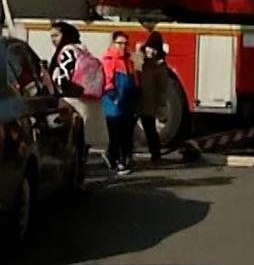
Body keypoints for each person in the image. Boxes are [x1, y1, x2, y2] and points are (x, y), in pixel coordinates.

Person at [49, 21, 108, 162]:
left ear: (66, 35)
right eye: (51, 36)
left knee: (71, 140)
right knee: (82, 139)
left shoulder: (67, 50)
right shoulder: (82, 50)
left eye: (56, 35)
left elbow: (63, 77)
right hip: (86, 99)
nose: (53, 40)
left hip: (72, 101)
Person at [100, 32, 140, 175]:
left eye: (125, 43)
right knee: (116, 134)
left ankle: (119, 158)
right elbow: (108, 82)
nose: (123, 46)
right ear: (113, 44)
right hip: (114, 105)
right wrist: (115, 98)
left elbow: (134, 82)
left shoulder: (129, 61)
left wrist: (136, 97)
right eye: (120, 43)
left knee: (126, 134)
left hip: (127, 104)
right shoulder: (108, 60)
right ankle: (118, 161)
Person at [138, 32, 169, 162]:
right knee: (127, 129)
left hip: (149, 103)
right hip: (136, 100)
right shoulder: (140, 62)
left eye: (154, 49)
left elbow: (163, 88)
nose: (150, 51)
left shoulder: (160, 67)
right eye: (149, 48)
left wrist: (161, 106)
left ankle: (155, 155)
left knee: (150, 129)